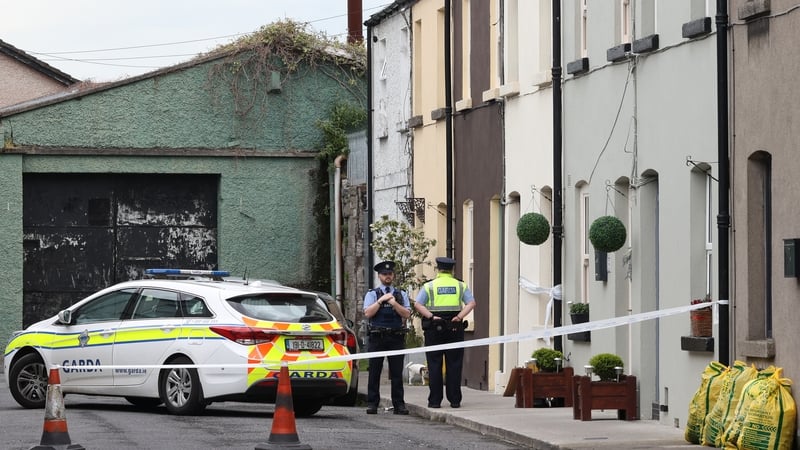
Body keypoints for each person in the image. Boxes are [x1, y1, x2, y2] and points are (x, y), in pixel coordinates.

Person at [413, 256, 476, 409]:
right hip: (454, 327)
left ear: (438, 269)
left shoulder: (430, 286)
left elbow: (418, 304)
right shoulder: (460, 285)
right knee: (454, 364)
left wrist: (431, 316)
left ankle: (435, 401)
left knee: (434, 364)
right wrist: (459, 316)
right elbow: (472, 303)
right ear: (452, 270)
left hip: (435, 327)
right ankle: (455, 400)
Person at [363, 260, 412, 415]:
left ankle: (399, 405)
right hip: (377, 337)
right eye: (384, 274)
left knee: (397, 373)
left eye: (390, 274)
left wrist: (393, 303)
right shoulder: (372, 294)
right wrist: (381, 301)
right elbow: (368, 313)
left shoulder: (401, 294)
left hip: (395, 337)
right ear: (379, 276)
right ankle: (372, 404)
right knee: (374, 372)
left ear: (393, 275)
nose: (387, 276)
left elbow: (407, 314)